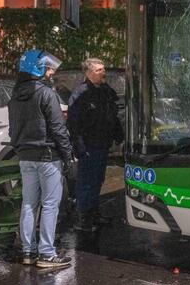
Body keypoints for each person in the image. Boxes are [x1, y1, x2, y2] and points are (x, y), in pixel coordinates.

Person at [8, 49, 73, 269]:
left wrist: (19, 148)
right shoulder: (46, 94)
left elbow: (13, 130)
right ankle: (46, 253)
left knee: (29, 203)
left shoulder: (16, 95)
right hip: (47, 156)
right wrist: (68, 156)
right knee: (50, 205)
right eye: (48, 68)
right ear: (39, 69)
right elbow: (58, 128)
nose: (52, 72)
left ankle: (28, 251)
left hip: (26, 157)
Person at [68, 58, 123, 232]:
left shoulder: (105, 91)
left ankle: (93, 213)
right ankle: (83, 218)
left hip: (102, 144)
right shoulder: (81, 94)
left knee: (97, 180)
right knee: (86, 182)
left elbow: (113, 116)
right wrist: (79, 147)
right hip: (89, 146)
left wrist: (118, 136)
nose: (103, 72)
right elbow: (74, 124)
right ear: (89, 73)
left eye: (103, 69)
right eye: (99, 70)